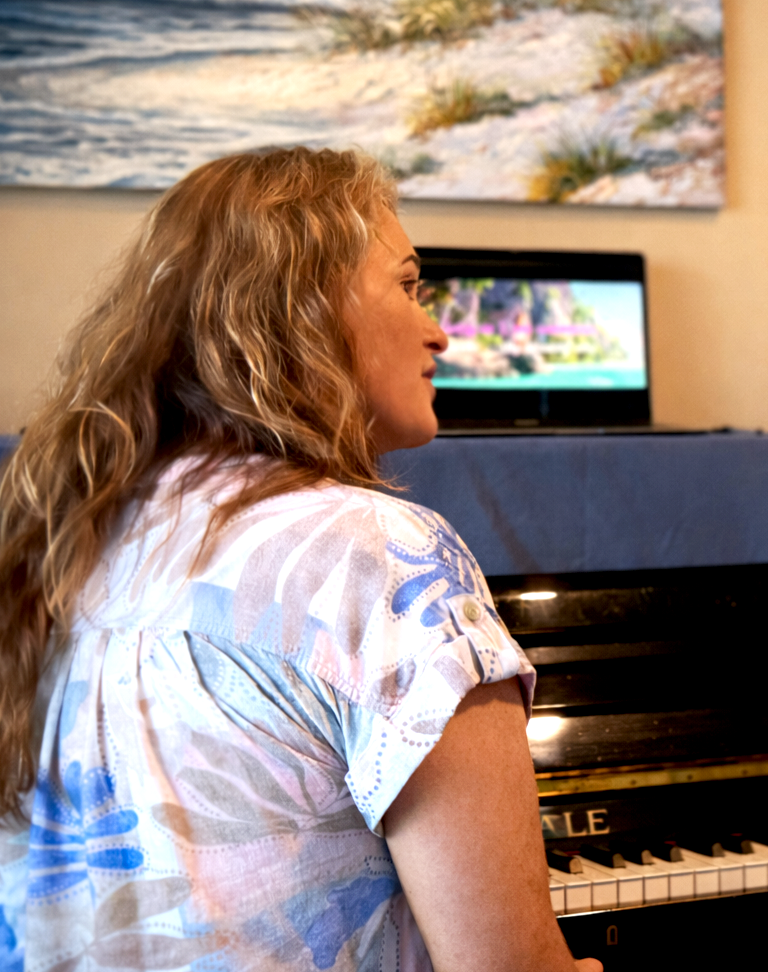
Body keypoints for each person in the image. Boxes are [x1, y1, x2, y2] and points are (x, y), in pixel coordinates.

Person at [0, 148, 601, 972]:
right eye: (407, 286)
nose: (439, 330)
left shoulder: (68, 535)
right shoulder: (379, 555)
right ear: (302, 308)